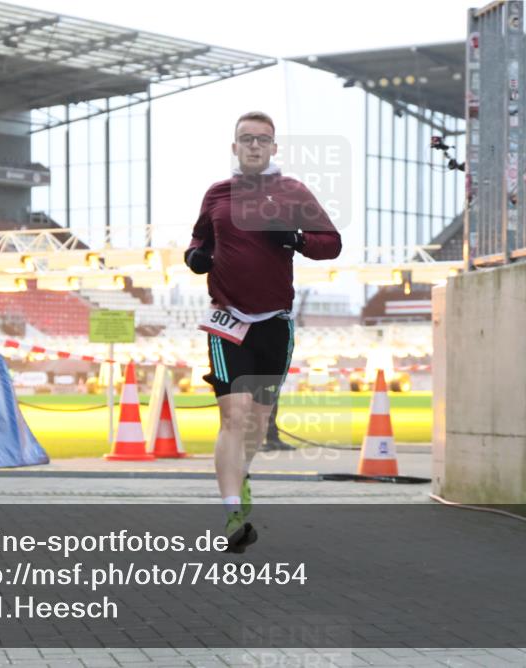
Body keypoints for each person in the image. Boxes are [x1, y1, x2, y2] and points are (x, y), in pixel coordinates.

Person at [184, 111, 342, 552]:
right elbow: (199, 240)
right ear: (234, 147)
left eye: (262, 139)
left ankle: (242, 474)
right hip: (227, 320)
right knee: (233, 416)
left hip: (274, 322)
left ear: (274, 148)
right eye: (246, 139)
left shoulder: (291, 192)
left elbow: (331, 242)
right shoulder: (218, 194)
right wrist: (196, 256)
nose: (254, 145)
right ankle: (233, 513)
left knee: (256, 423)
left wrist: (297, 240)